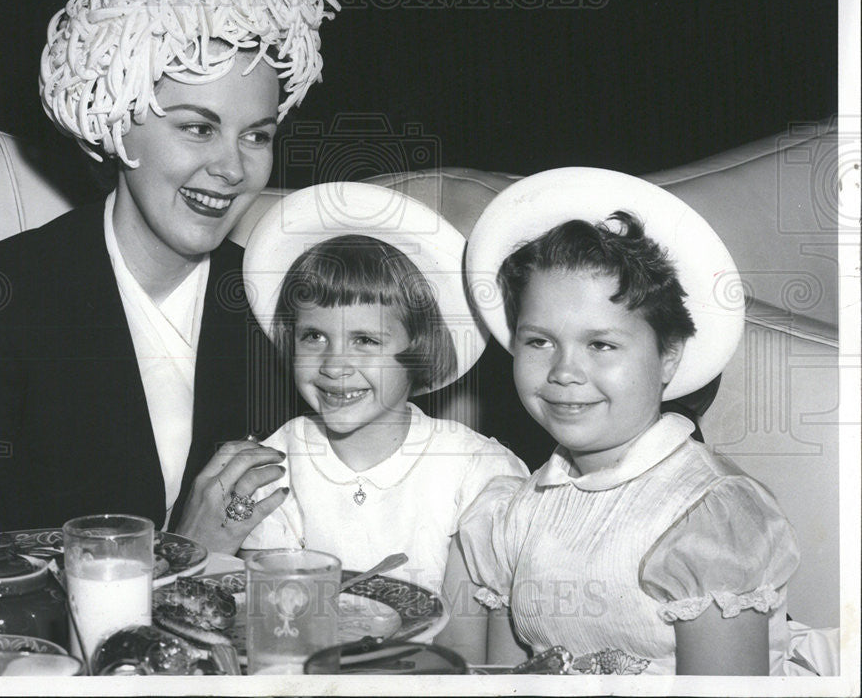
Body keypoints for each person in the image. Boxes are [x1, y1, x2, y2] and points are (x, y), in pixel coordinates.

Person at [0, 0, 339, 553]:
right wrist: (180, 551)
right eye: (197, 128)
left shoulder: (282, 304)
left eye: (256, 136)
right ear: (115, 122)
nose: (233, 169)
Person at [438, 167, 833, 676]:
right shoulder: (512, 512)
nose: (563, 371)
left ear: (668, 357)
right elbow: (503, 679)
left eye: (601, 344)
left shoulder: (704, 519)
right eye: (539, 341)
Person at [238, 182, 529, 593]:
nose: (335, 365)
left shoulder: (474, 471)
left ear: (419, 346)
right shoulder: (275, 468)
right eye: (314, 337)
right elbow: (274, 617)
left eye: (366, 340)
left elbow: (474, 642)